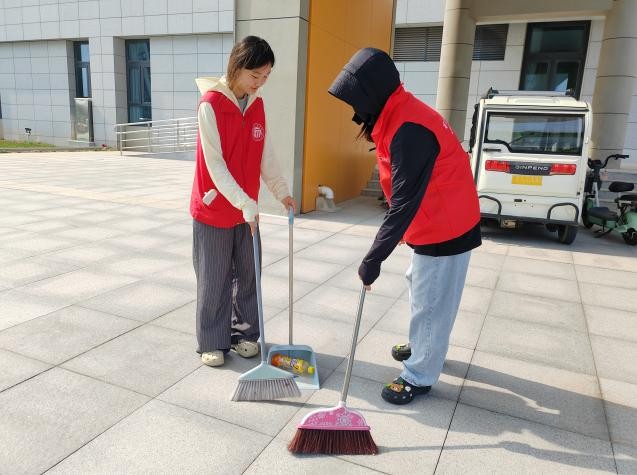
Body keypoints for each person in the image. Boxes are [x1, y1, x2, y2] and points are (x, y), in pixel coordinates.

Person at [328, 48, 481, 404]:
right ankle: (423, 344)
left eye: (357, 100)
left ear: (373, 92)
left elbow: (403, 204)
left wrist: (373, 260)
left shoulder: (409, 129)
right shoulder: (398, 112)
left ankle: (420, 375)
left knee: (431, 301)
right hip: (436, 218)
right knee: (420, 285)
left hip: (446, 226)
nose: (355, 111)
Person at [191, 36, 295, 367]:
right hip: (215, 209)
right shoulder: (210, 105)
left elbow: (265, 152)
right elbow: (215, 165)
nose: (260, 83)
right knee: (214, 278)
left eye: (266, 76)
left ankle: (245, 334)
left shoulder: (256, 104)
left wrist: (280, 190)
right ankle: (212, 341)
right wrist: (245, 202)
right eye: (255, 75)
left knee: (249, 274)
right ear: (237, 67)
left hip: (246, 211)